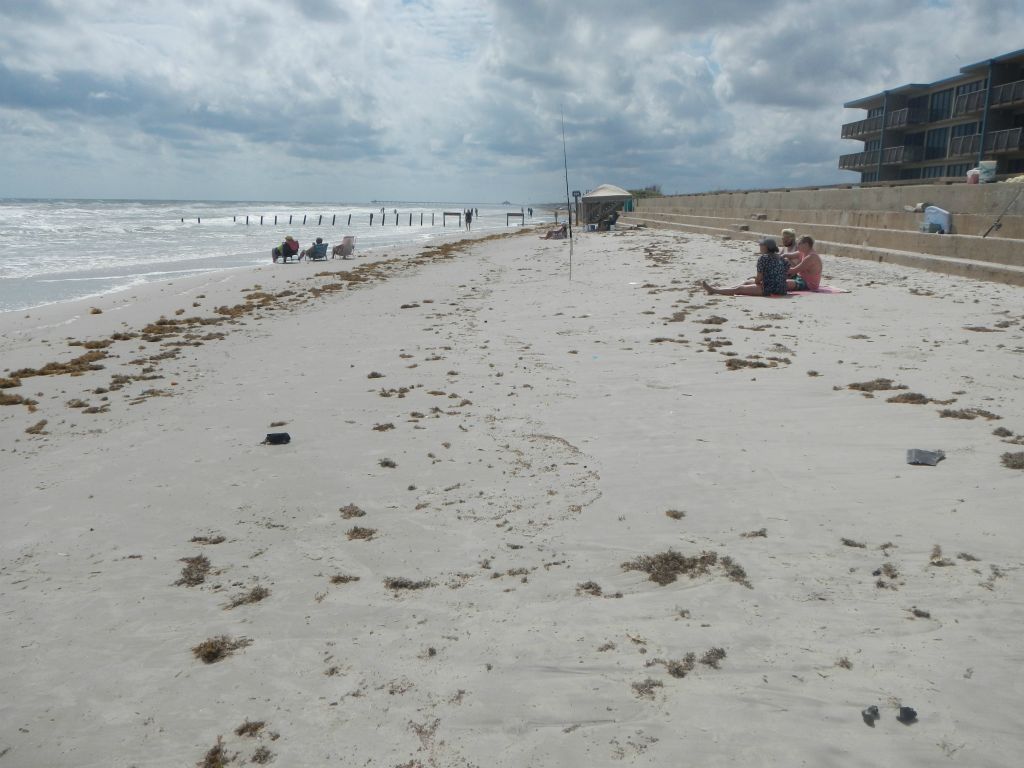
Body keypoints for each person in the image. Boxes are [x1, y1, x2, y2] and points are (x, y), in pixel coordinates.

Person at [701, 238, 788, 297]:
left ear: (766, 247)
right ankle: (722, 288)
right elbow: (785, 272)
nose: (759, 246)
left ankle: (714, 290)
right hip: (782, 288)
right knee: (747, 282)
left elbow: (758, 280)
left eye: (761, 245)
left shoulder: (763, 258)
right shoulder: (781, 258)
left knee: (739, 289)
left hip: (770, 289)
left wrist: (758, 280)